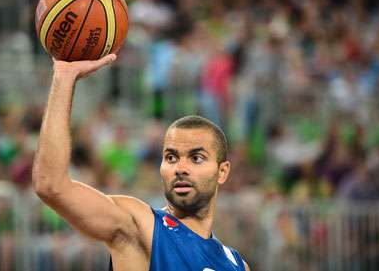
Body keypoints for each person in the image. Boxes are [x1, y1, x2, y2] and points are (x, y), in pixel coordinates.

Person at [32, 54, 251, 271]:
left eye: (196, 158)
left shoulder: (237, 264)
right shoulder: (141, 225)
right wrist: (64, 77)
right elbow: (51, 185)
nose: (180, 169)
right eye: (171, 157)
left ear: (222, 171)